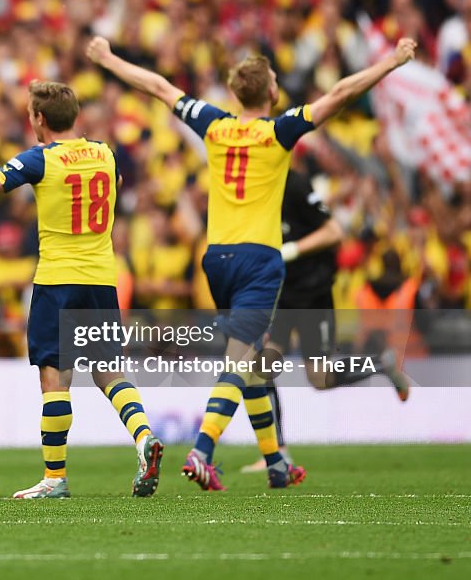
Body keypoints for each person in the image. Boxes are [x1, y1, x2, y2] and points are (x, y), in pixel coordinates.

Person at [87, 34, 416, 491]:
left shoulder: (213, 124)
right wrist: (392, 62)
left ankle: (276, 463)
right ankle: (203, 452)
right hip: (259, 261)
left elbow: (159, 88)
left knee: (256, 360)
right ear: (271, 92)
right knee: (241, 361)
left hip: (216, 259)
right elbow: (341, 94)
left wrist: (107, 58)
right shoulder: (279, 131)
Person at [0, 80, 164, 499]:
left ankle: (55, 477)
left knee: (54, 378)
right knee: (110, 372)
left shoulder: (40, 159)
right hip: (101, 277)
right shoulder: (105, 154)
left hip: (57, 280)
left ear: (39, 119)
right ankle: (144, 437)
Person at [241, 168, 410, 473]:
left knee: (319, 379)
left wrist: (289, 251)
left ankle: (381, 363)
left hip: (313, 294)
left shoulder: (294, 183)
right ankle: (277, 453)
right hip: (282, 292)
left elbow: (334, 232)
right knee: (261, 367)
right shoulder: (254, 183)